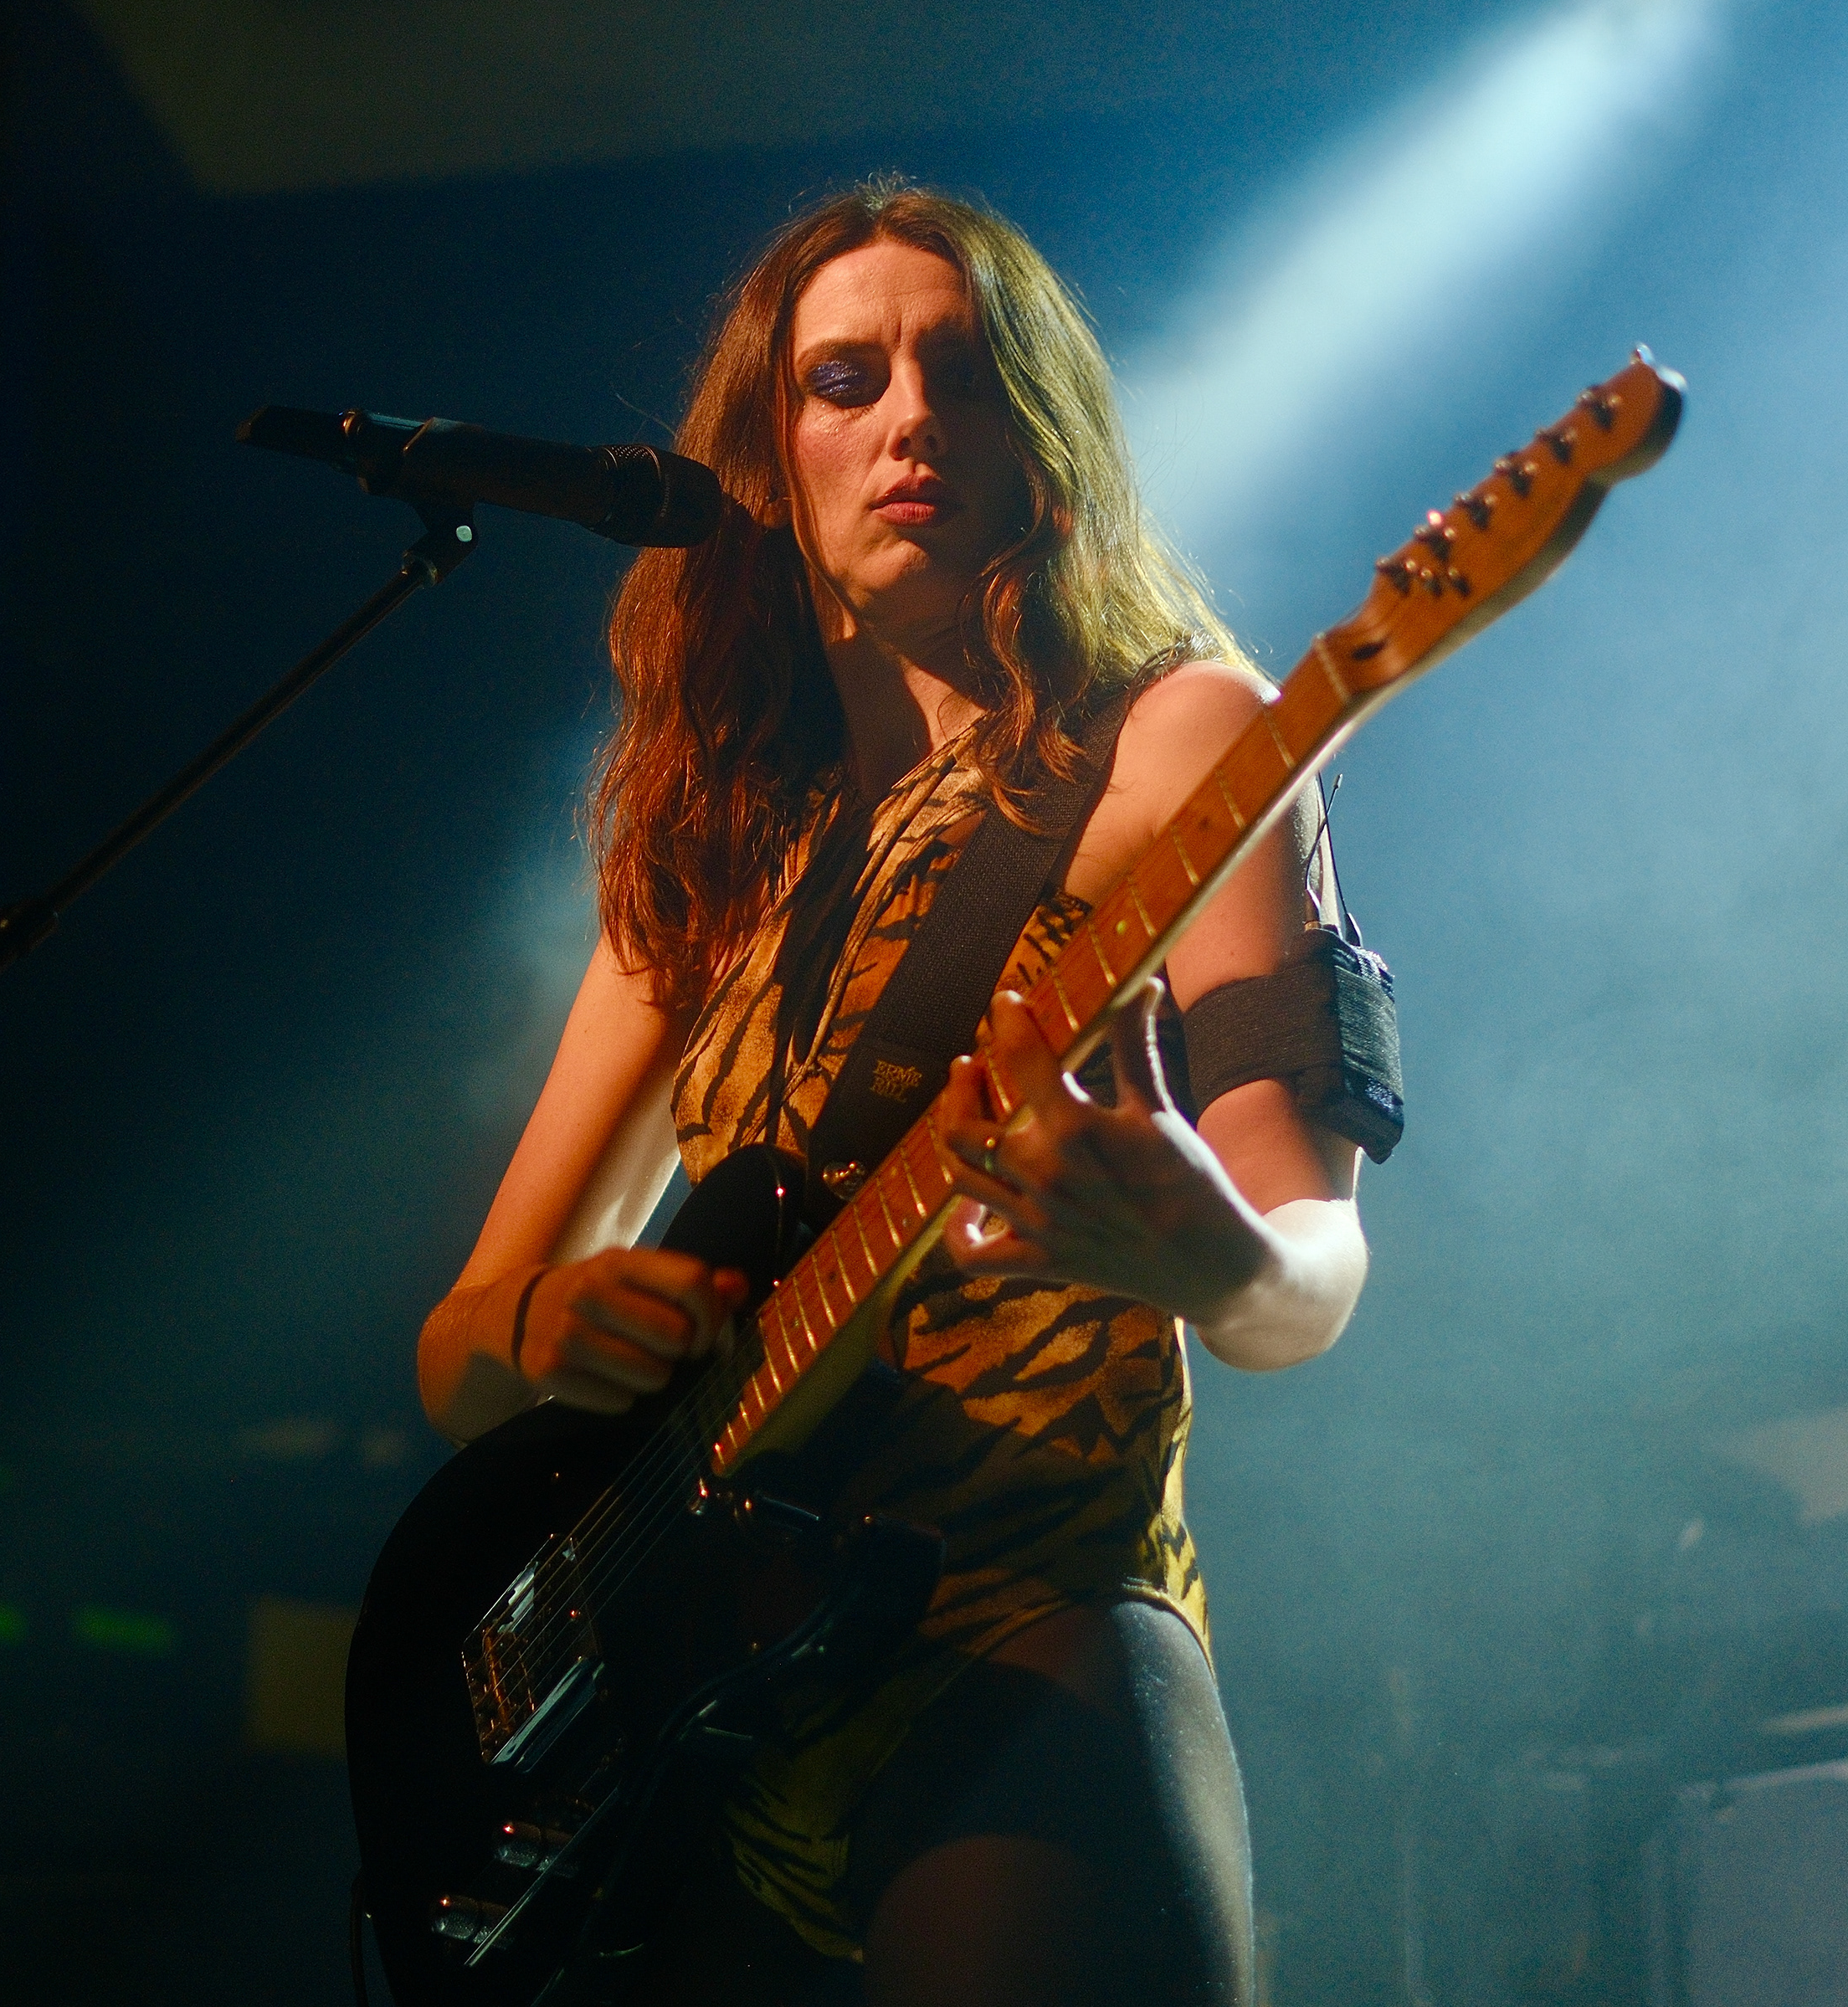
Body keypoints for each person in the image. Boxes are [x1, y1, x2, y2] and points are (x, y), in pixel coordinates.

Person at [415, 182, 1380, 2005]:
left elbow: (1312, 1276)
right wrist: (551, 1320)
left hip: (1021, 1635)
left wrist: (1217, 1256)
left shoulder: (1181, 733)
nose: (911, 418)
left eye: (964, 371)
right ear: (767, 467)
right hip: (707, 1715)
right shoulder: (711, 859)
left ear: (1042, 442)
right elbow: (459, 1354)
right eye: (845, 381)